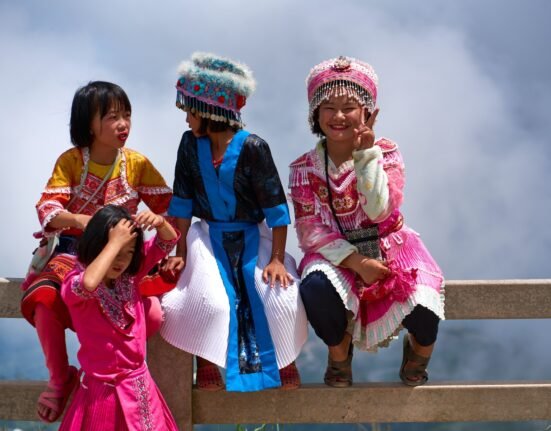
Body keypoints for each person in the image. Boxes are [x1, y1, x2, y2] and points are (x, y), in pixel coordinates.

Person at [20, 81, 174, 422]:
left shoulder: (137, 164)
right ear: (89, 123)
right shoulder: (72, 161)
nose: (123, 125)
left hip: (124, 258)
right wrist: (81, 219)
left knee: (152, 315)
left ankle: (123, 373)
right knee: (45, 299)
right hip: (76, 253)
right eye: (112, 117)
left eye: (127, 115)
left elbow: (168, 205)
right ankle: (62, 380)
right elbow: (47, 208)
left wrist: (161, 229)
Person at [289, 56, 445, 387]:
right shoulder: (304, 168)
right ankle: (339, 352)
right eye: (328, 107)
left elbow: (380, 212)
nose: (339, 116)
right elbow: (308, 230)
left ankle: (419, 350)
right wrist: (357, 262)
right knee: (315, 289)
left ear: (367, 112)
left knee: (423, 305)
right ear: (315, 113)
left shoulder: (386, 154)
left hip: (390, 243)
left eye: (349, 106)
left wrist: (366, 157)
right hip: (336, 251)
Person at [160, 52, 308, 392]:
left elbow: (276, 209)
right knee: (204, 299)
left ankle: (284, 362)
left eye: (190, 111)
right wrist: (179, 250)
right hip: (208, 237)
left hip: (254, 237)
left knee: (278, 296)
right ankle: (207, 362)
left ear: (209, 110)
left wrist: (275, 259)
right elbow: (181, 204)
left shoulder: (254, 148)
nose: (186, 120)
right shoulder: (189, 146)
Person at [59, 205, 179, 430]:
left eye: (129, 252)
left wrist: (160, 223)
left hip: (140, 388)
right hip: (101, 394)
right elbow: (88, 284)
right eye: (115, 250)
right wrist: (115, 243)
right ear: (96, 244)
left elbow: (167, 242)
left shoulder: (129, 277)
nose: (121, 260)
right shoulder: (73, 283)